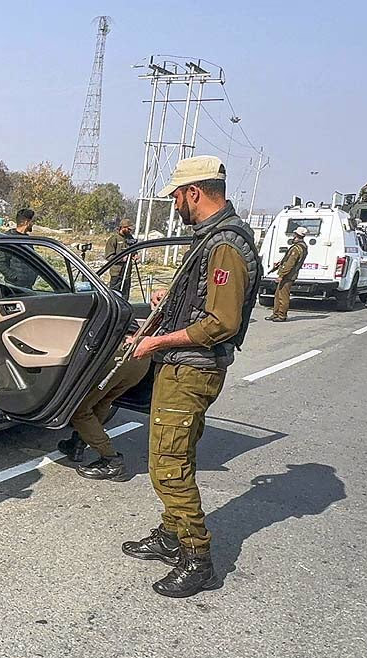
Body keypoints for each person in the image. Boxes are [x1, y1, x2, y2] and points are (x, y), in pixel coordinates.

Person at [124, 156, 260, 598]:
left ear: (195, 193)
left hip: (192, 369)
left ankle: (197, 557)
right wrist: (174, 295)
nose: (176, 204)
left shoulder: (224, 245)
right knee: (174, 456)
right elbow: (205, 300)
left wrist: (155, 343)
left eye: (178, 196)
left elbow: (220, 322)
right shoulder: (212, 238)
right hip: (183, 366)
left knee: (167, 466)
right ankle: (169, 535)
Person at [68, 343, 152, 481]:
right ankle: (78, 443)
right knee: (103, 401)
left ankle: (112, 460)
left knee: (79, 410)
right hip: (141, 359)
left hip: (118, 355)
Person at [266, 226, 309, 321]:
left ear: (297, 235)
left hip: (288, 276)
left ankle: (281, 315)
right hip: (288, 275)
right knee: (278, 294)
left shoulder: (297, 248)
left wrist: (282, 275)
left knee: (283, 296)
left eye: (295, 235)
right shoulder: (301, 247)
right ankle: (276, 313)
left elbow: (290, 264)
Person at [105, 218, 138, 296]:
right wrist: (121, 259)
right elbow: (108, 256)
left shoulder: (130, 238)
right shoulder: (114, 239)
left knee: (125, 294)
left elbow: (133, 249)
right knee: (114, 294)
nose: (130, 231)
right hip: (116, 273)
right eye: (128, 229)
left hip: (127, 273)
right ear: (123, 228)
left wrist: (135, 255)